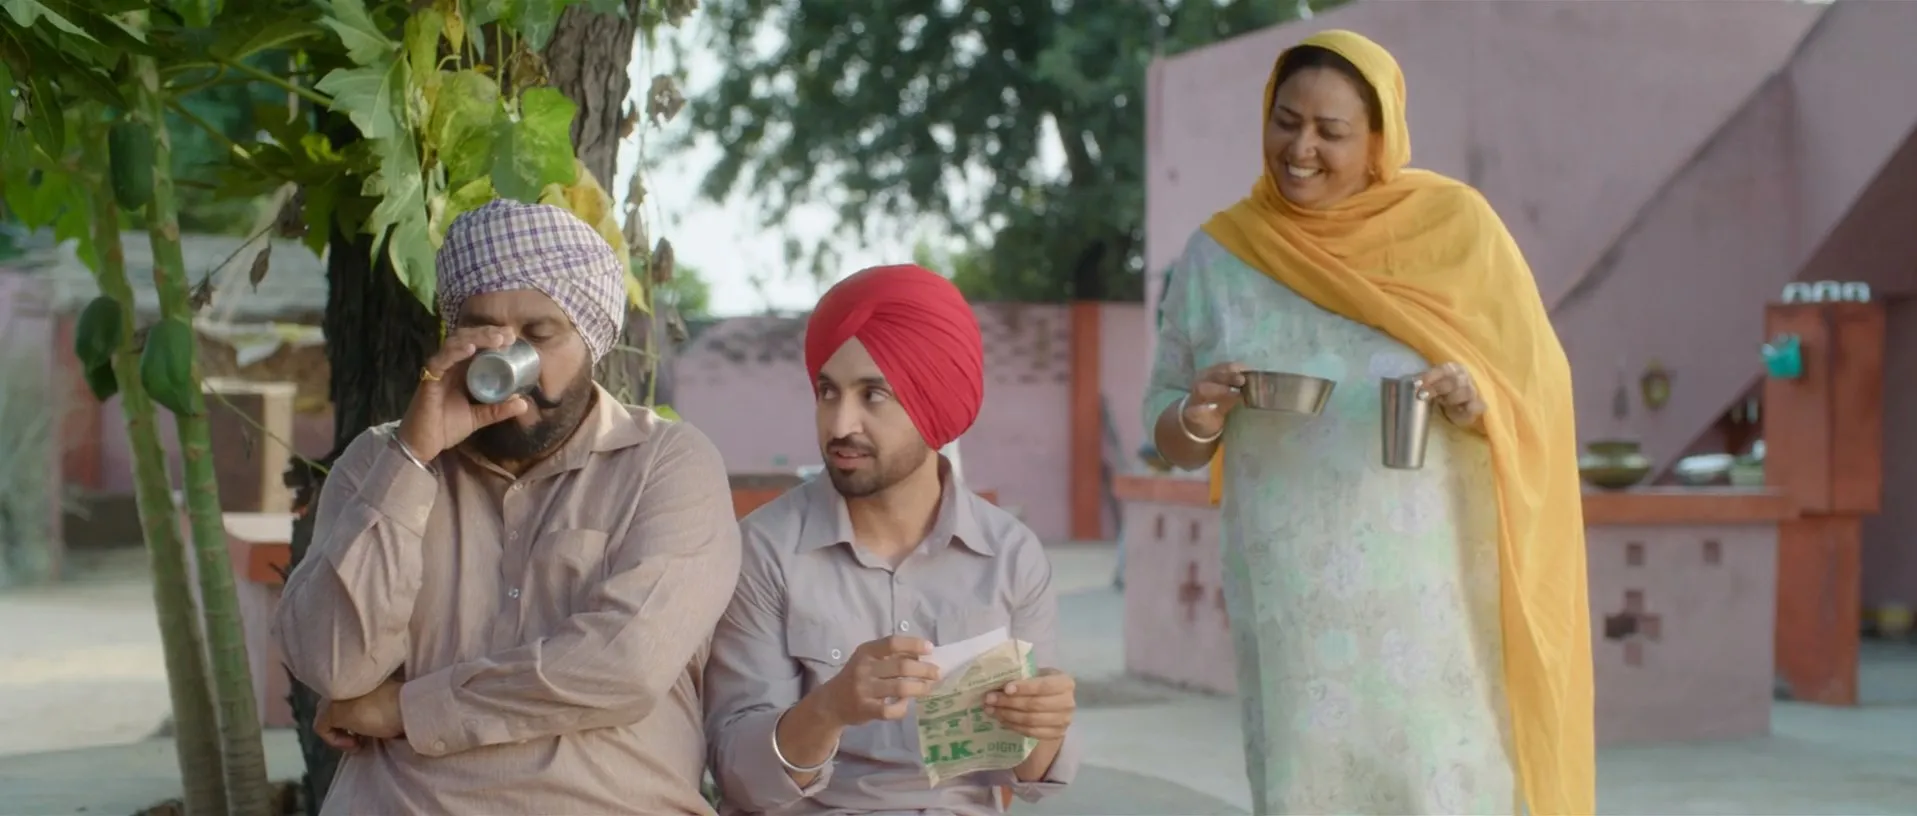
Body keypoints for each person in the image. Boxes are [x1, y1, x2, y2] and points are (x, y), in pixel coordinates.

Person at [1142, 30, 1594, 816]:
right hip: (1292, 609)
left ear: (1380, 139)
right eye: (1286, 122)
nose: (1300, 150)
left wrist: (1472, 396)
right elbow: (1166, 427)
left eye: (1331, 131)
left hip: (1437, 611)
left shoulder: (1453, 231)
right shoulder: (1220, 257)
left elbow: (1535, 388)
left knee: (1442, 790)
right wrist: (1196, 414)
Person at [274, 199, 742, 814]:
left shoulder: (667, 464)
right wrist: (412, 458)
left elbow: (623, 665)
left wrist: (408, 710)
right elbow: (332, 665)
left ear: (591, 339)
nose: (507, 358)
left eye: (539, 335)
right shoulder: (379, 462)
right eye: (480, 331)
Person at [704, 264, 1079, 815]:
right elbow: (738, 773)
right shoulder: (764, 551)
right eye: (828, 392)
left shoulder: (1011, 556)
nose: (839, 425)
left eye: (872, 394)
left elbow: (1028, 775)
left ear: (933, 403)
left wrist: (1044, 723)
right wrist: (829, 709)